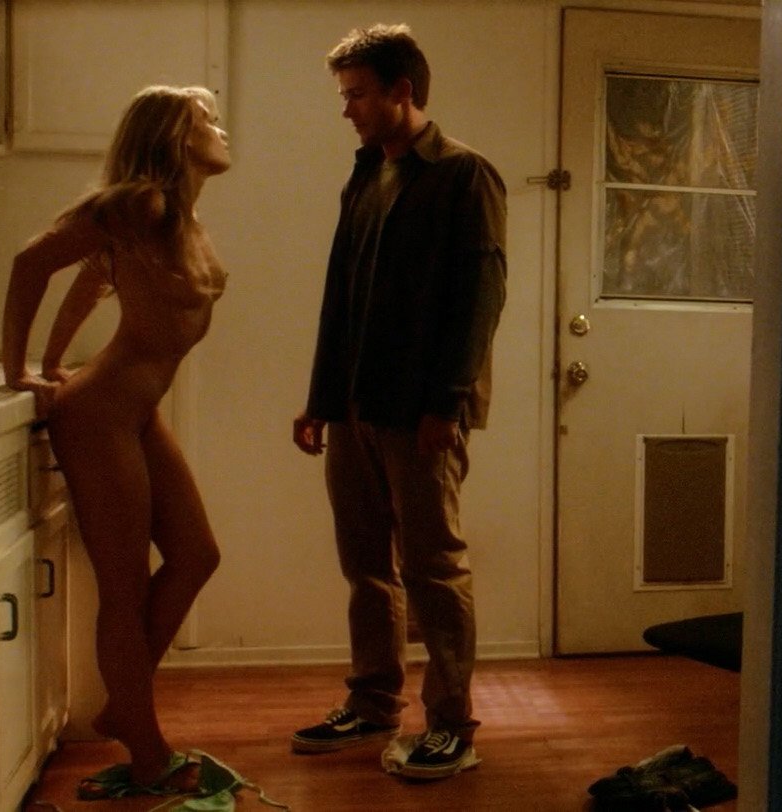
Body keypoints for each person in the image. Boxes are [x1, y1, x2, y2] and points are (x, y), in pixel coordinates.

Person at [288, 23, 508, 782]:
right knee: (365, 566)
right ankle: (374, 702)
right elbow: (340, 297)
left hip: (421, 414)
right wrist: (321, 398)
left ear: (401, 90)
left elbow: (481, 299)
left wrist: (447, 404)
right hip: (355, 407)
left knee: (433, 569)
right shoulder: (365, 175)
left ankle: (451, 725)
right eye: (344, 94)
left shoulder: (464, 174)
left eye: (356, 94)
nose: (345, 109)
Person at [2, 85, 231, 795]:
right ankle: (147, 751)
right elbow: (32, 261)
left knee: (196, 555)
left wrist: (53, 360)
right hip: (99, 415)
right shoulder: (143, 204)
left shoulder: (179, 217)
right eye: (207, 119)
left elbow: (91, 280)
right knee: (125, 587)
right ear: (175, 134)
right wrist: (18, 373)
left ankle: (121, 703)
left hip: (135, 410)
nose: (221, 128)